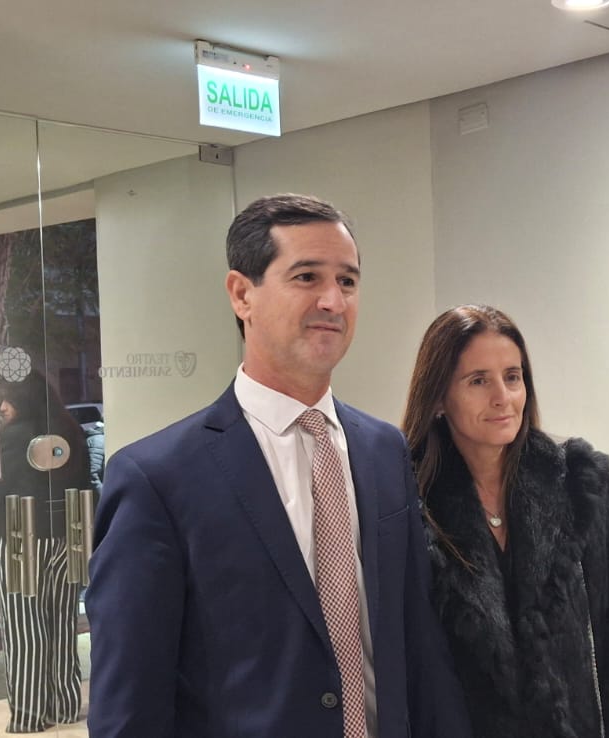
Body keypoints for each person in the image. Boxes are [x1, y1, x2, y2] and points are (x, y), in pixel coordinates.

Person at [86, 194, 471, 738]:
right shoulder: (157, 479)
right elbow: (130, 706)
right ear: (242, 294)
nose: (333, 301)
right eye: (307, 277)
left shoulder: (384, 451)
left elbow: (418, 645)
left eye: (347, 281)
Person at [402, 304, 609, 738]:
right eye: (478, 381)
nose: (503, 397)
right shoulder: (407, 502)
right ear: (438, 398)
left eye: (513, 377)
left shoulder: (581, 482)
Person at [0, 370, 91, 733]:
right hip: (67, 538)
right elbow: (84, 482)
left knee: (24, 627)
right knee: (62, 621)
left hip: (21, 539)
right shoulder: (71, 431)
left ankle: (29, 715)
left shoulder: (13, 436)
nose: (2, 406)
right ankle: (65, 705)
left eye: (7, 399)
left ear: (21, 399)